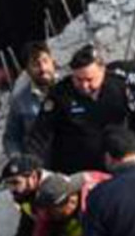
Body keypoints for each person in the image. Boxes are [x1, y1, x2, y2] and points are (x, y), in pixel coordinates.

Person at [26, 44, 129, 174]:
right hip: (76, 171)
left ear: (102, 70)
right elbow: (39, 136)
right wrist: (32, 167)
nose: (84, 86)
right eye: (78, 80)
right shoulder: (60, 94)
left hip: (114, 166)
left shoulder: (118, 87)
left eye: (89, 79)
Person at [4, 41, 57, 157]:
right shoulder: (20, 101)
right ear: (27, 70)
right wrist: (19, 159)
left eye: (45, 61)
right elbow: (11, 138)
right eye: (35, 64)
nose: (43, 68)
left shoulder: (71, 86)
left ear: (52, 61)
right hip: (42, 163)